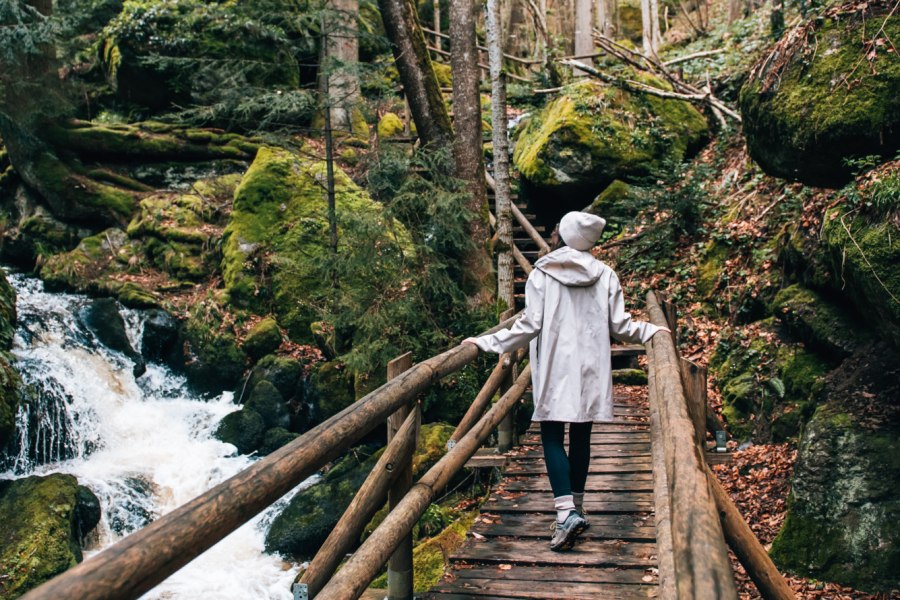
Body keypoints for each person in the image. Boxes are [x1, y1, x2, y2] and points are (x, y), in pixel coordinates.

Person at [463, 211, 670, 551]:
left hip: (556, 366)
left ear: (564, 235)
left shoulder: (543, 273)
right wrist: (651, 330)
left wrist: (486, 342)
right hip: (590, 368)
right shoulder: (605, 274)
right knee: (582, 434)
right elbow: (620, 325)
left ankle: (564, 515)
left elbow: (529, 324)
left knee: (552, 435)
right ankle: (576, 506)